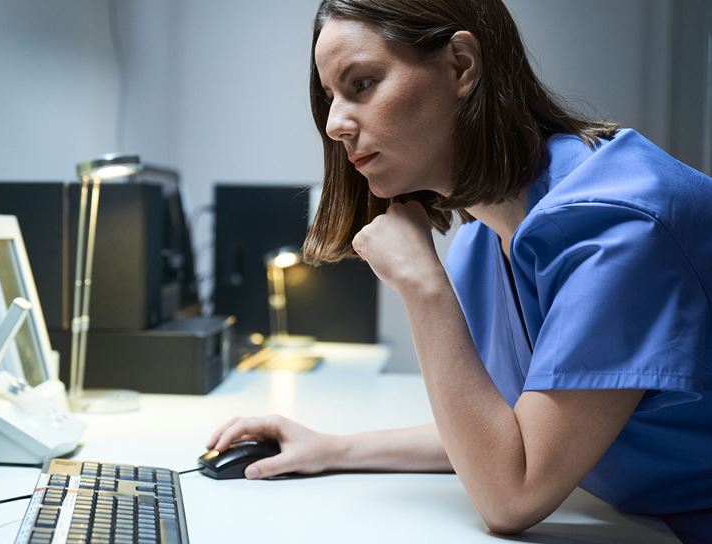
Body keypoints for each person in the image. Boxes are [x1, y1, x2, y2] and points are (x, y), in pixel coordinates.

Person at [206, 0, 712, 540]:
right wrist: (331, 448)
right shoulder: (481, 243)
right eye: (331, 97)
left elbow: (511, 494)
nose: (333, 125)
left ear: (462, 66)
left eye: (363, 83)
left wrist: (422, 286)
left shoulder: (615, 227)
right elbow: (503, 436)